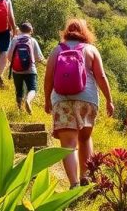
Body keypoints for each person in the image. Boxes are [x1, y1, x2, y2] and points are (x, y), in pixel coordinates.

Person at [44, 19, 115, 188]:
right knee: (85, 138)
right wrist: (109, 100)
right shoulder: (91, 50)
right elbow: (101, 77)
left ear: (66, 32)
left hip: (62, 100)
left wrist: (47, 99)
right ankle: (85, 177)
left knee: (68, 144)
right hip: (87, 99)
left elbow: (48, 78)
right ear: (85, 32)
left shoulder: (56, 50)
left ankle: (74, 184)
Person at [6, 22, 45, 113]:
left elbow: (9, 56)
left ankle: (20, 109)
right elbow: (39, 57)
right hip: (30, 70)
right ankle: (28, 100)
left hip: (17, 70)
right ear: (30, 31)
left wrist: (16, 62)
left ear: (20, 30)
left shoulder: (15, 40)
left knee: (19, 90)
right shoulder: (32, 40)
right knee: (32, 89)